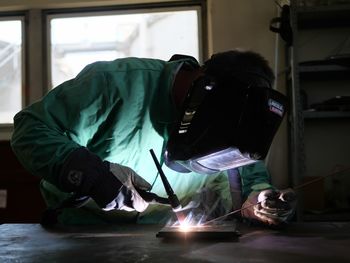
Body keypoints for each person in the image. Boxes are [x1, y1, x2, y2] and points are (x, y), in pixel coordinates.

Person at [11, 49, 296, 226]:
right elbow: (29, 130)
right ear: (202, 89)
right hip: (84, 232)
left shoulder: (232, 125)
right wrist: (93, 174)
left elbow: (244, 170)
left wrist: (258, 198)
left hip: (164, 239)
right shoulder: (114, 84)